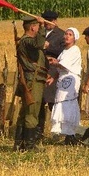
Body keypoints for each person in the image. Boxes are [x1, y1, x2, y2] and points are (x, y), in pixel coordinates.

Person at [13, 15, 47, 152]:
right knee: (32, 112)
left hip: (32, 79)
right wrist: (43, 27)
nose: (38, 28)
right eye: (37, 27)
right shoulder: (27, 41)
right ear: (33, 27)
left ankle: (19, 144)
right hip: (33, 80)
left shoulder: (25, 42)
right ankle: (29, 145)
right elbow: (38, 44)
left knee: (26, 112)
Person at [47, 27, 82, 145]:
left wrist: (54, 62)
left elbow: (64, 65)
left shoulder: (75, 50)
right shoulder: (64, 50)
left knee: (68, 104)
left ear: (74, 38)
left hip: (71, 80)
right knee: (60, 103)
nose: (66, 36)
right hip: (62, 80)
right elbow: (60, 67)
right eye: (66, 34)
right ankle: (65, 133)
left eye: (70, 34)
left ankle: (70, 134)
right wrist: (53, 77)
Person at [36, 10, 65, 140]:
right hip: (40, 69)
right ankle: (38, 131)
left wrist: (49, 47)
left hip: (53, 70)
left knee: (53, 102)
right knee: (40, 102)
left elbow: (63, 52)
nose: (47, 24)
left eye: (49, 21)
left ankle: (58, 131)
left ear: (54, 21)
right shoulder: (38, 32)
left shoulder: (62, 34)